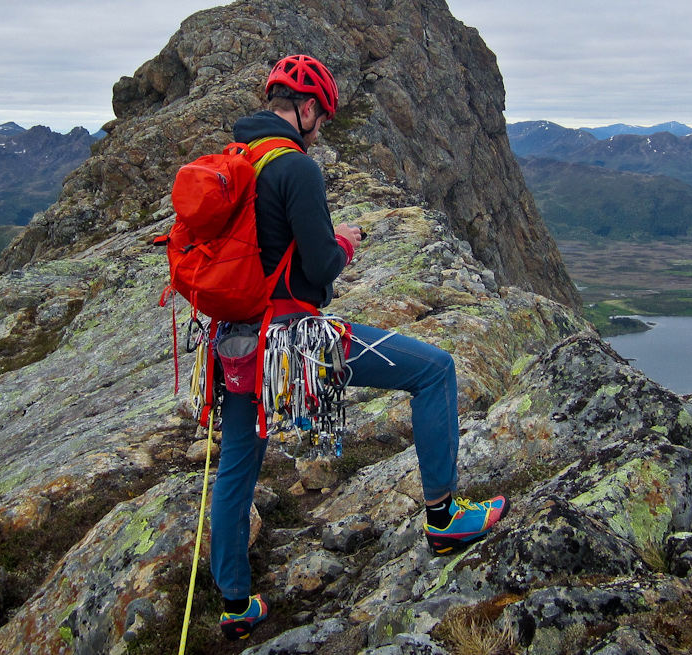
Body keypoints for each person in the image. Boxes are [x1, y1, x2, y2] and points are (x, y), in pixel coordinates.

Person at [210, 55, 509, 641]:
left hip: (236, 343)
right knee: (435, 370)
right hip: (293, 342)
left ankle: (237, 605)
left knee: (235, 466)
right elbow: (319, 270)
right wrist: (345, 241)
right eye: (320, 117)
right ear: (306, 108)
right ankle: (445, 516)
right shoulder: (295, 168)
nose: (320, 129)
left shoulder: (233, 160)